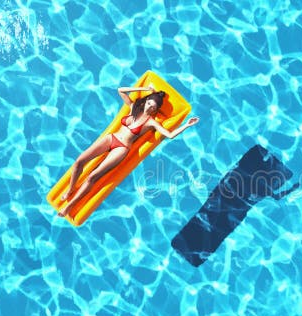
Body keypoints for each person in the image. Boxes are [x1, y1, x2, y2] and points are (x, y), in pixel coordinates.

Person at [58, 85, 199, 217]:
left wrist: (187, 124)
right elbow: (121, 90)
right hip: (111, 138)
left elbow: (170, 135)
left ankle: (70, 205)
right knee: (79, 161)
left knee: (92, 177)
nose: (150, 107)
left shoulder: (151, 122)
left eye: (153, 107)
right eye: (149, 103)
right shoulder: (134, 108)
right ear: (146, 101)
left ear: (156, 110)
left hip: (121, 148)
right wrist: (145, 88)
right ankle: (70, 189)